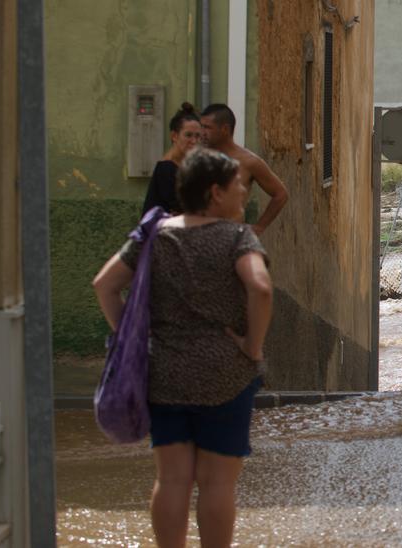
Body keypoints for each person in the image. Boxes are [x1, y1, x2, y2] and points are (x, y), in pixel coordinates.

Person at [92, 148, 272, 548]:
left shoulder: (156, 235)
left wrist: (132, 339)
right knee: (217, 483)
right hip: (226, 375)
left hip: (165, 372)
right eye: (236, 184)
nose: (243, 189)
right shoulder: (238, 236)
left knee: (171, 479)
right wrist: (251, 347)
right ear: (215, 193)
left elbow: (104, 285)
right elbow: (260, 288)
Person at [200, 104, 289, 234]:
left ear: (225, 129)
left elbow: (281, 194)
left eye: (207, 127)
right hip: (201, 238)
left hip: (231, 239)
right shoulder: (197, 159)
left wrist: (259, 227)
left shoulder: (248, 161)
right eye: (201, 126)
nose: (202, 132)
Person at [142, 103, 202, 215]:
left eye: (198, 136)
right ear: (174, 136)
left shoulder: (189, 167)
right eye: (188, 135)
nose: (194, 141)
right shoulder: (166, 169)